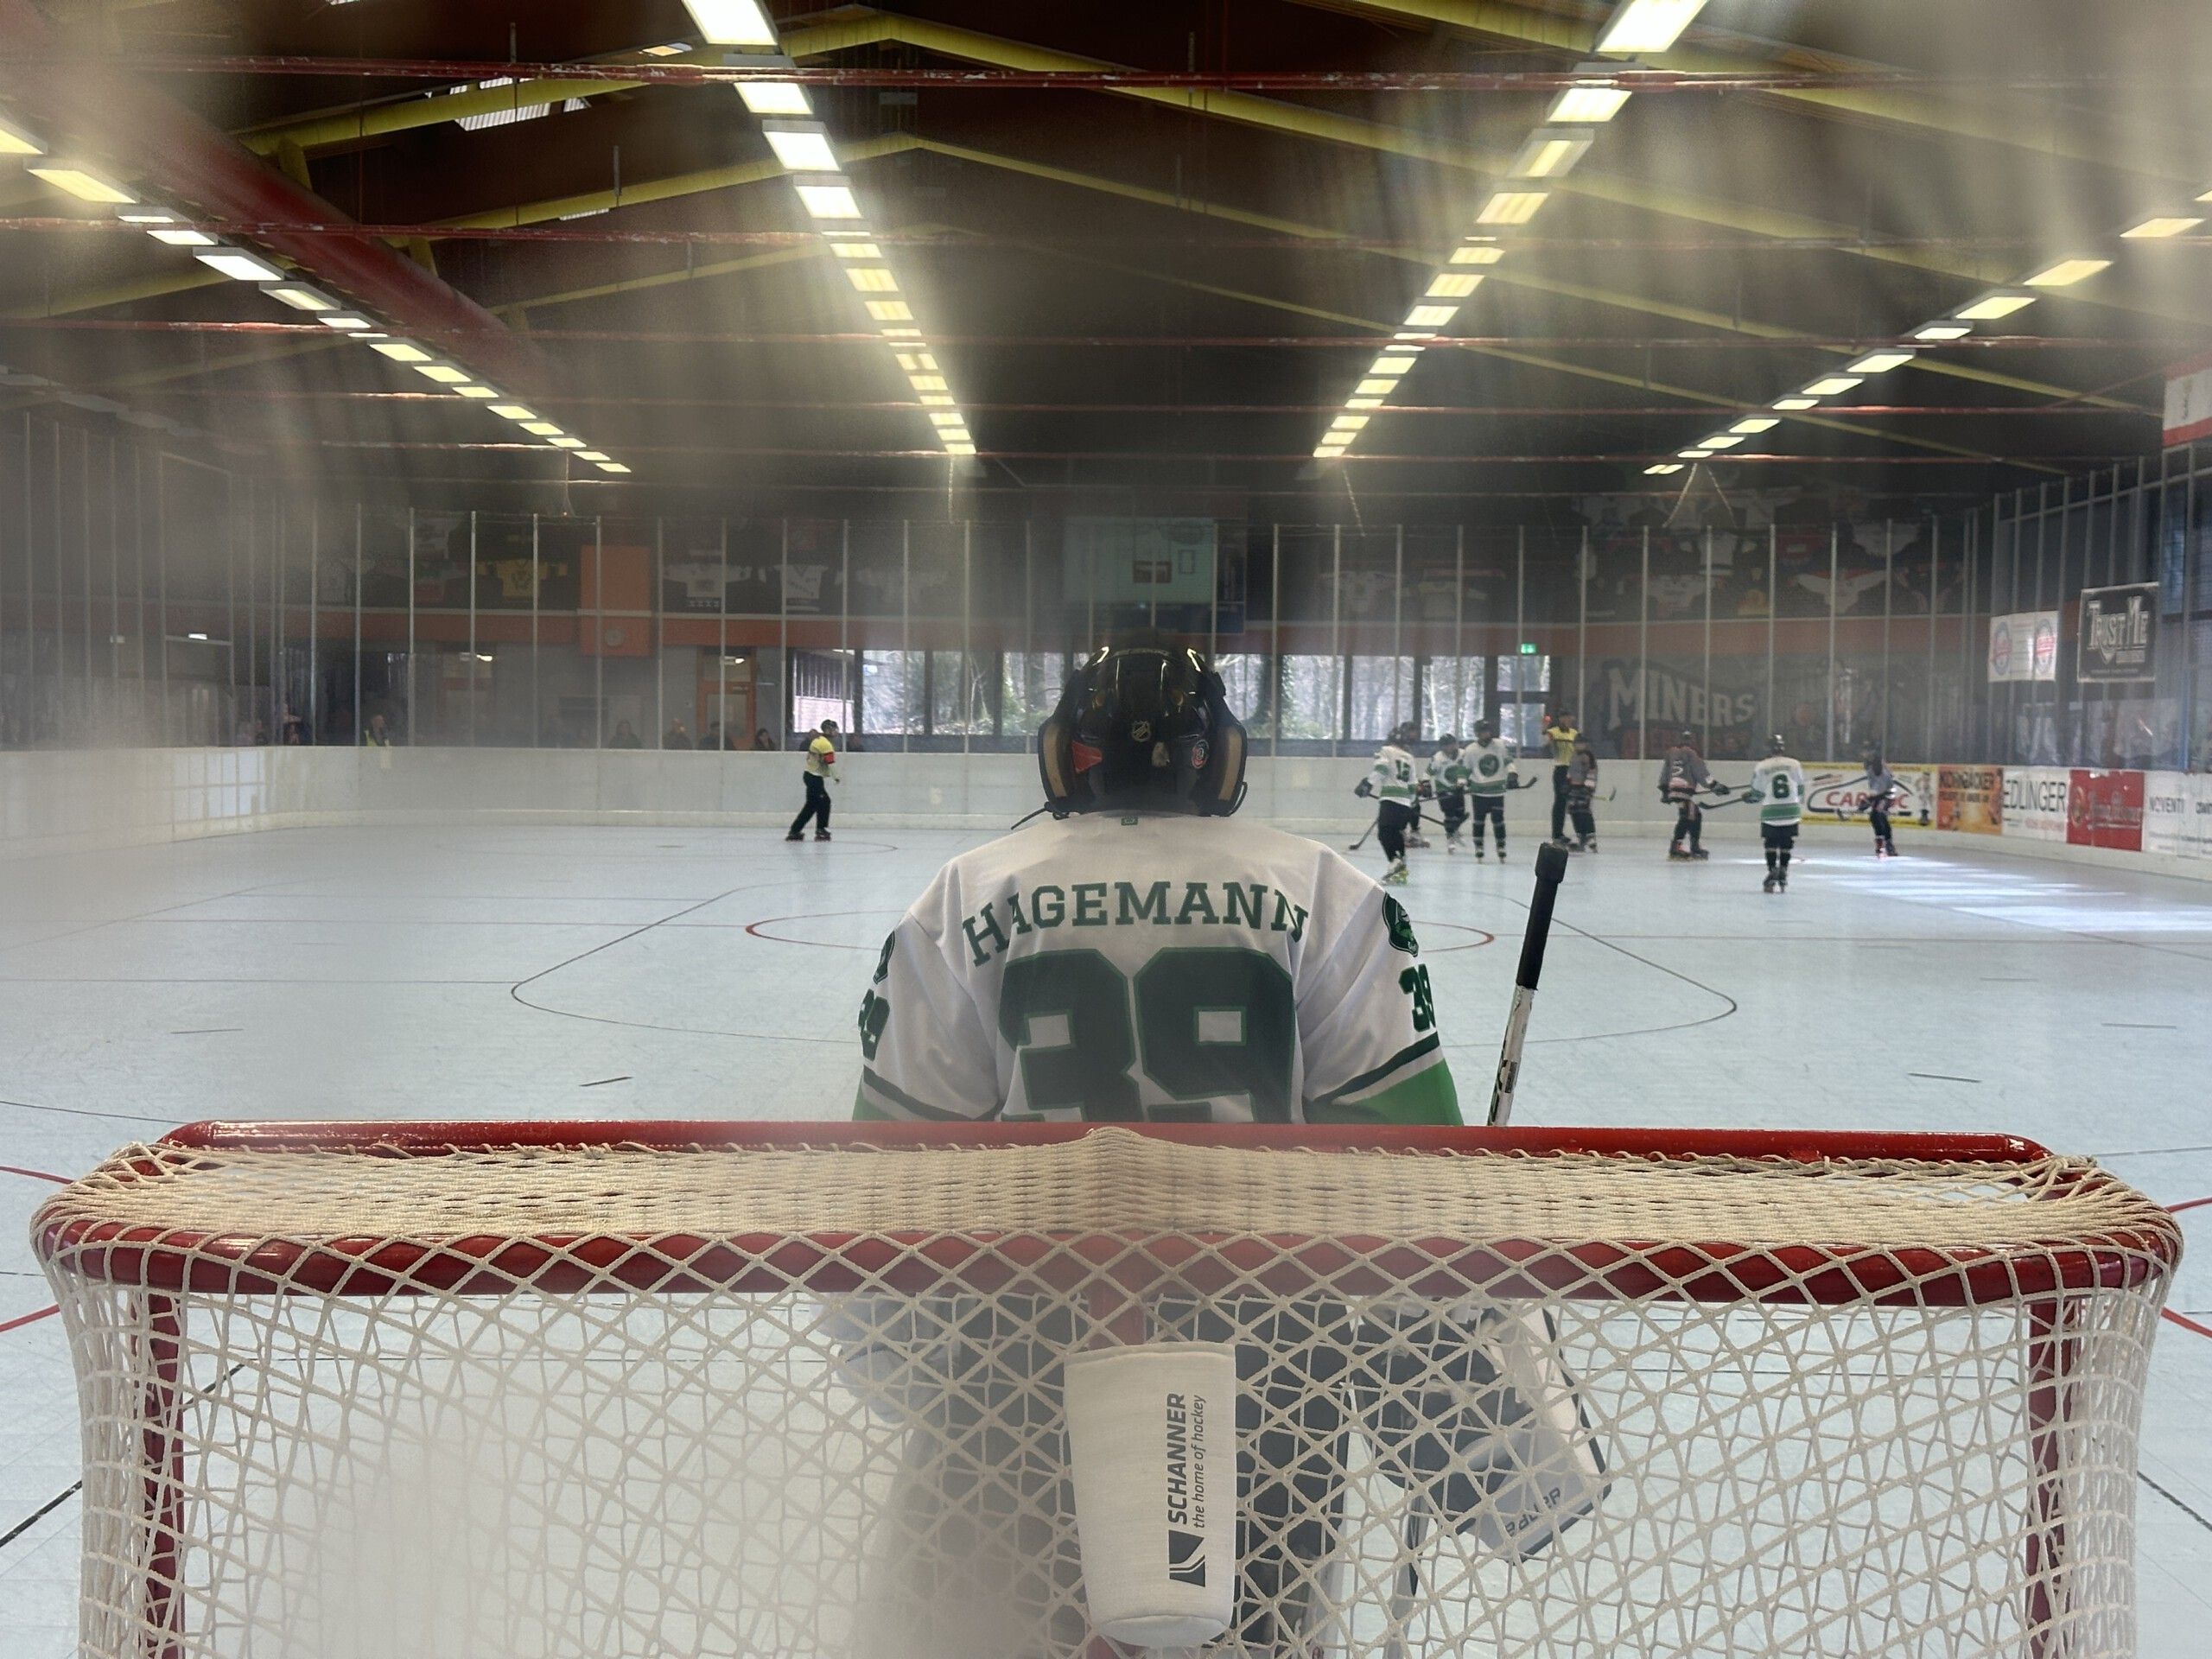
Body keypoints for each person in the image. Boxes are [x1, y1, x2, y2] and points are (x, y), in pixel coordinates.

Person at [844, 641, 1608, 1655]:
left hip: (1018, 1358)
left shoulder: (962, 896)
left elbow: (892, 1183)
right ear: (1219, 760)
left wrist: (895, 1369)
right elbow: (1403, 1176)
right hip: (1272, 1360)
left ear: (1067, 758)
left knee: (987, 1626)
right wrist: (1467, 1413)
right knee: (1257, 1631)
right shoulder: (1329, 893)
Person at [1357, 719, 1423, 886]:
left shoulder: (1385, 751)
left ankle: (1395, 862)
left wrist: (1368, 784)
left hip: (1390, 800)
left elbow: (1381, 769)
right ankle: (1400, 869)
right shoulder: (1408, 756)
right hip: (1405, 803)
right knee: (1397, 833)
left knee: (1385, 833)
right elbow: (1413, 783)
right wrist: (1413, 802)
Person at [1750, 733, 1808, 893]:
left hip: (1771, 811)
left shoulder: (1762, 766)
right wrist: (1798, 803)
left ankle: (1771, 870)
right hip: (1792, 809)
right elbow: (1801, 787)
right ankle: (1783, 870)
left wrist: (1750, 797)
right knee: (1786, 843)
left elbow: (1757, 792)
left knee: (1770, 843)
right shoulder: (1795, 764)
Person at [1659, 728, 1719, 861]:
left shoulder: (1671, 753)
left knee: (1695, 814)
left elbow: (1665, 772)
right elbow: (1700, 771)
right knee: (1687, 816)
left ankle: (1693, 845)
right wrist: (1714, 785)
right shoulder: (1691, 753)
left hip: (1674, 789)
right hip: (1684, 790)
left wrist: (1664, 791)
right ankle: (1677, 846)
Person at [1463, 717, 1516, 861]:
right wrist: (1461, 783)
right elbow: (1465, 770)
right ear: (1477, 733)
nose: (1487, 734)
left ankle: (1501, 845)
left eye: (1488, 731)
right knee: (1479, 821)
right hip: (1479, 793)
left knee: (1498, 820)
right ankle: (1479, 845)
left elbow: (1508, 761)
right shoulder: (1470, 750)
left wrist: (1512, 774)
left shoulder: (1499, 745)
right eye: (1483, 731)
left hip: (1497, 791)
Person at [787, 719, 838, 841]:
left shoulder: (818, 741)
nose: (836, 732)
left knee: (812, 805)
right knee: (824, 802)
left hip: (810, 776)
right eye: (834, 729)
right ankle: (820, 830)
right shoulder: (825, 744)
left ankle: (795, 830)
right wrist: (836, 776)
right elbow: (830, 763)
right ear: (827, 730)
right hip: (814, 777)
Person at [1541, 707, 1580, 848]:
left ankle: (1580, 833)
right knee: (1560, 802)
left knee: (1574, 802)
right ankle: (1557, 833)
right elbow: (1545, 742)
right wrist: (1545, 729)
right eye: (1564, 717)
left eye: (1569, 717)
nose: (1567, 720)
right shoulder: (1554, 732)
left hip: (1573, 770)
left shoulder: (1575, 734)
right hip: (1561, 769)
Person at [1427, 733, 1471, 853]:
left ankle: (1454, 831)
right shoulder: (1438, 758)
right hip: (1444, 790)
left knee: (1460, 814)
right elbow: (1428, 772)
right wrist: (1425, 784)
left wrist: (1470, 781)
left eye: (1452, 744)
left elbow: (1469, 768)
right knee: (1449, 814)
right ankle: (1450, 839)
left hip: (1458, 789)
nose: (1450, 747)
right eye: (1446, 745)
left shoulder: (1463, 754)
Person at [1862, 748, 1902, 858]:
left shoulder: (1880, 772)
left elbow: (1880, 789)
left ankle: (1885, 846)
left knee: (1877, 816)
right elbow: (1875, 789)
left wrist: (1869, 799)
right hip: (1881, 796)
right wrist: (1870, 799)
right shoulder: (1873, 771)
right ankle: (1886, 845)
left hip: (1887, 796)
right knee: (1878, 817)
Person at [1565, 738, 1599, 852]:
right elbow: (1570, 771)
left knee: (1584, 811)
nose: (1579, 746)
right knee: (1574, 811)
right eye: (1577, 744)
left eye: (1581, 744)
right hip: (1573, 788)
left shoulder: (1588, 757)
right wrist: (1567, 783)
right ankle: (1579, 834)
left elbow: (1592, 773)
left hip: (1584, 788)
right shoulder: (1572, 756)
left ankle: (1590, 836)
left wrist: (1589, 788)